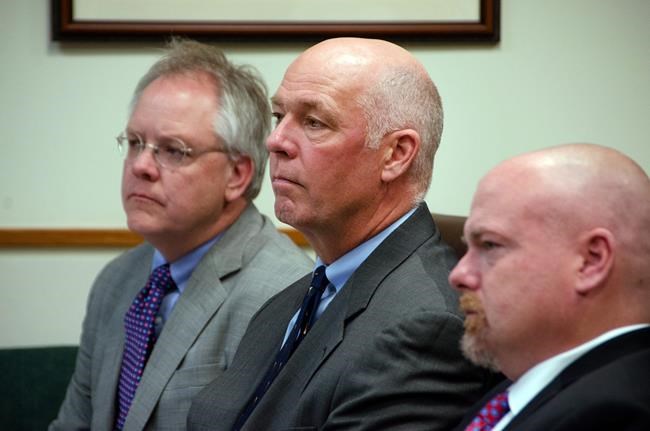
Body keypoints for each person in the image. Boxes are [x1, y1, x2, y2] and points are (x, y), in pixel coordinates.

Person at [188, 37, 497, 431]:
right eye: (279, 116)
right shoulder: (289, 301)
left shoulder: (427, 327)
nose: (275, 141)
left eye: (314, 122)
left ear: (396, 154)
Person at [50, 39, 313, 431]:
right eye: (135, 143)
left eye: (173, 151)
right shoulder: (116, 280)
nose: (140, 166)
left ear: (236, 174)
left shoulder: (281, 296)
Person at [449, 143, 650, 430]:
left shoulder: (616, 415)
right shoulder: (518, 392)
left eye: (490, 245)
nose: (458, 275)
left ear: (591, 261)